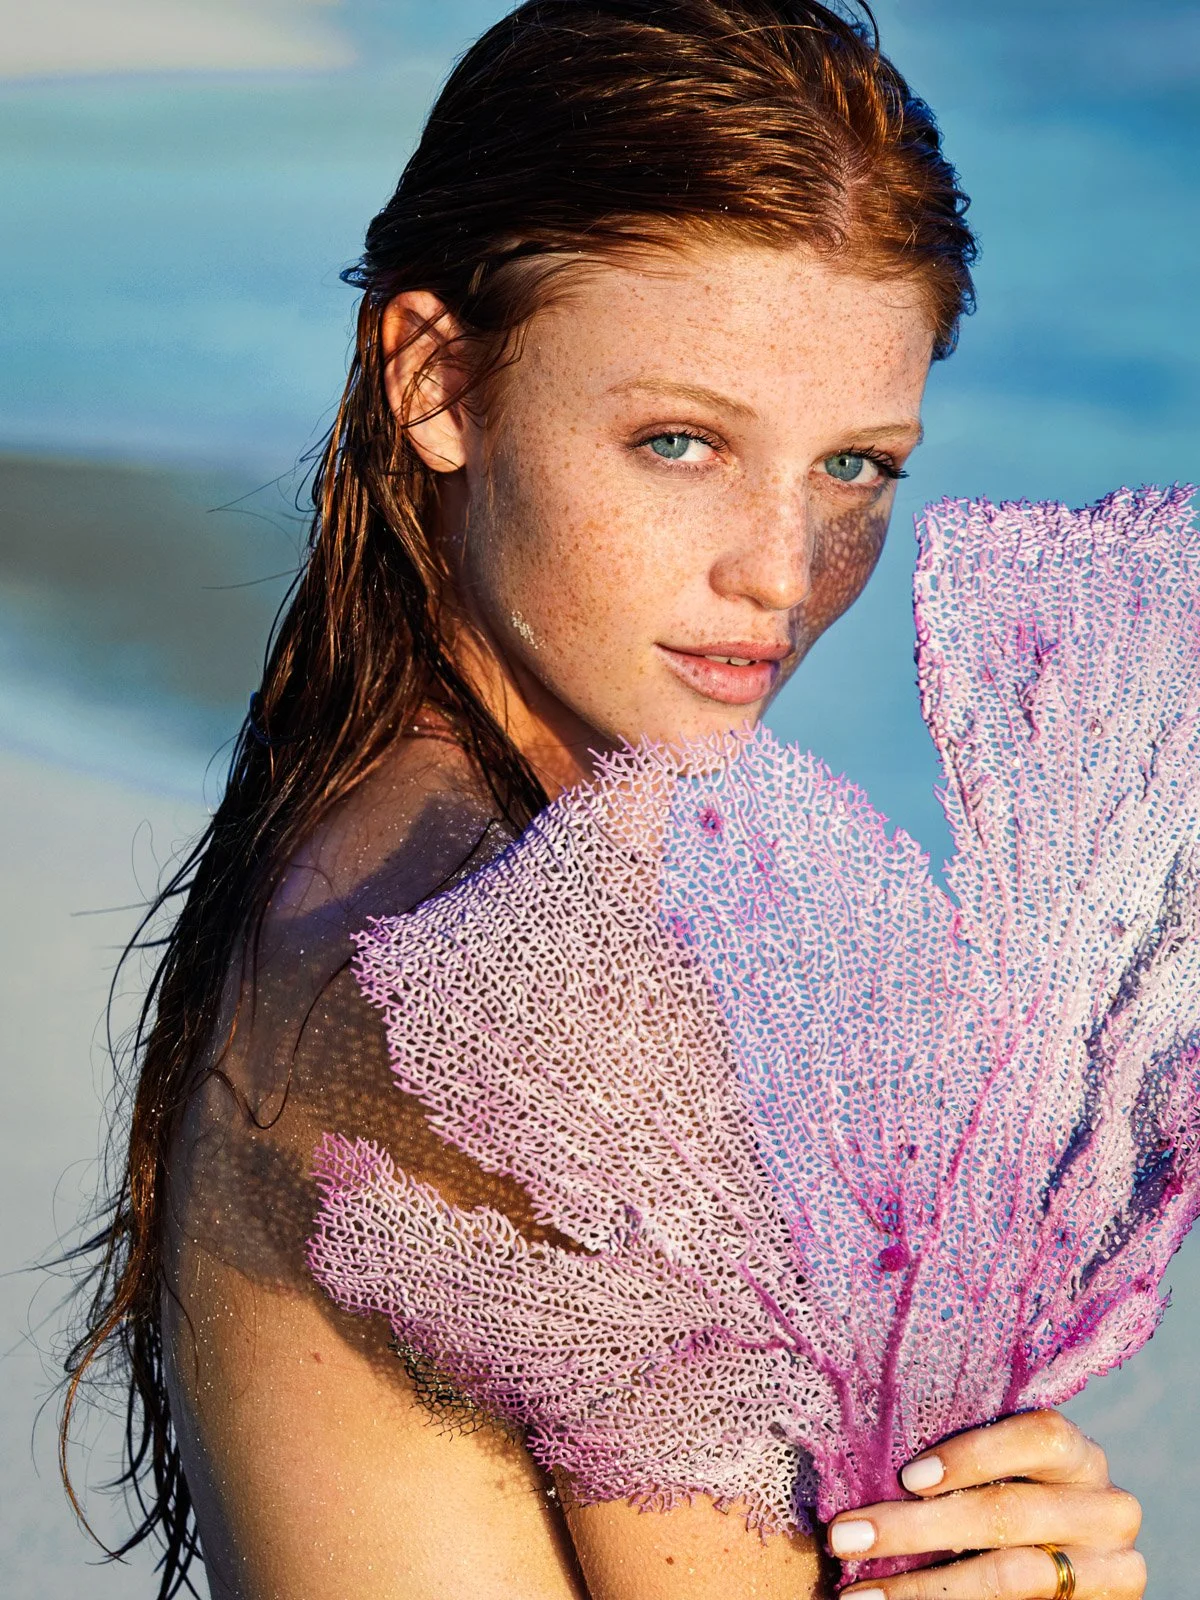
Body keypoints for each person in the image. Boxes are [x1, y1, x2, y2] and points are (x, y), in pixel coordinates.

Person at [64, 3, 1147, 1597]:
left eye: (856, 466)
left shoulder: (351, 849)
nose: (781, 574)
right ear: (436, 378)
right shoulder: (570, 962)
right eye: (679, 440)